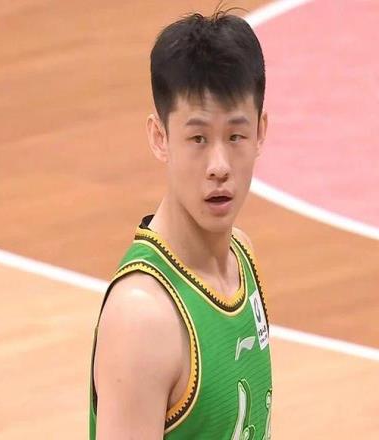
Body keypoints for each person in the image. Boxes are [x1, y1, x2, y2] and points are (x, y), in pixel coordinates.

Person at [89, 8, 272, 439]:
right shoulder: (143, 318)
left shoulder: (241, 258)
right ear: (160, 137)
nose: (219, 166)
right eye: (198, 138)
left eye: (236, 136)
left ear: (261, 132)